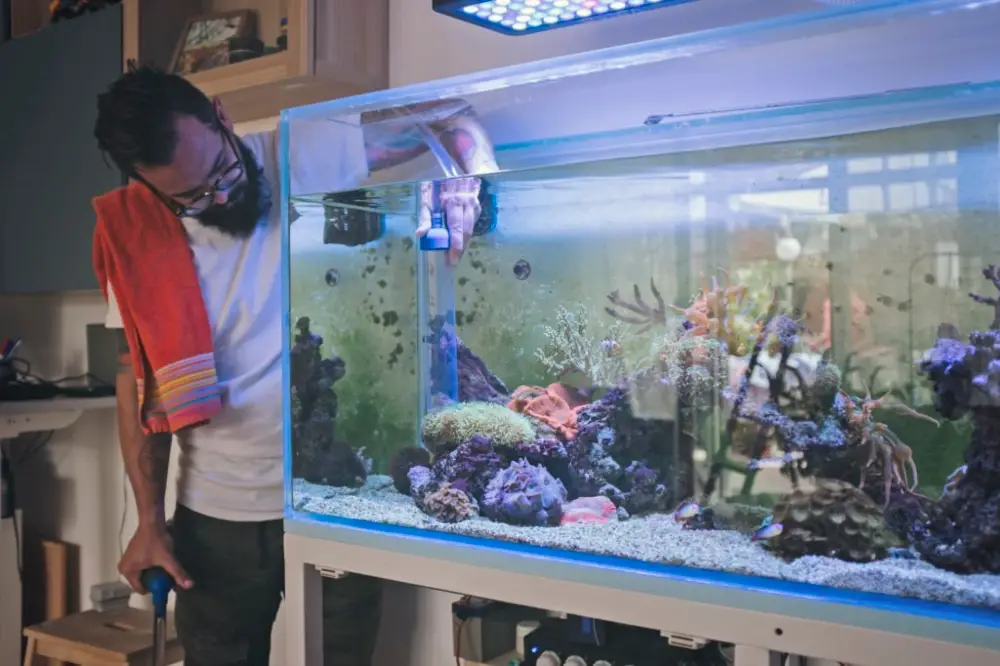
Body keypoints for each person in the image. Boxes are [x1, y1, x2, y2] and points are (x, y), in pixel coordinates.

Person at [92, 63, 497, 666]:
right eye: (191, 198)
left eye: (221, 172)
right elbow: (139, 385)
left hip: (328, 496)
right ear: (149, 190)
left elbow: (451, 114)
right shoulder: (134, 232)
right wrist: (149, 522)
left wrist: (470, 179)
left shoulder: (300, 153)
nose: (219, 197)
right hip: (213, 517)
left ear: (223, 118)